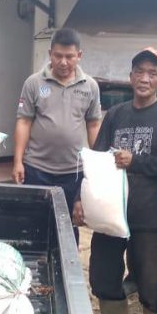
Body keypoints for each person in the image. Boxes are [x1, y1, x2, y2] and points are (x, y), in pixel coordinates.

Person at [73, 47, 157, 314]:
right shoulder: (116, 114)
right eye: (140, 71)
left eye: (152, 73)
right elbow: (96, 161)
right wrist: (81, 199)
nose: (145, 78)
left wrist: (136, 161)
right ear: (130, 76)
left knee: (151, 282)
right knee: (102, 275)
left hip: (147, 214)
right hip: (110, 213)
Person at [13, 28, 102, 243]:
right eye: (58, 56)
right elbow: (24, 121)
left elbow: (93, 125)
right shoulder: (34, 83)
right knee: (34, 222)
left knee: (68, 225)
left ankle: (65, 271)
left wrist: (97, 168)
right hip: (37, 168)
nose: (63, 62)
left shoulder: (90, 86)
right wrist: (18, 161)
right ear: (50, 53)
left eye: (69, 57)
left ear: (79, 55)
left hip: (73, 171)